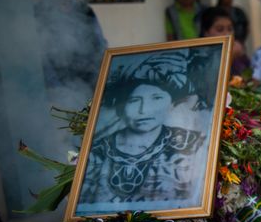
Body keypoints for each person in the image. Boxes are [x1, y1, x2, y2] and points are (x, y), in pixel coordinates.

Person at [79, 50, 207, 206]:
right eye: (134, 100)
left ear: (172, 103)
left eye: (157, 98)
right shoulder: (96, 152)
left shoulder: (193, 145)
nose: (144, 110)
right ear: (120, 107)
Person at [34, 0, 107, 89]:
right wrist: (60, 93)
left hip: (93, 83)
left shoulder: (86, 11)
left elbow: (101, 45)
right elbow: (43, 62)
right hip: (62, 91)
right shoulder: (37, 15)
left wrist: (104, 76)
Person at [200, 6, 250, 77]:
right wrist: (229, 57)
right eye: (220, 29)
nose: (227, 34)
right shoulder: (198, 58)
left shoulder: (238, 52)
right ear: (206, 33)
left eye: (230, 29)